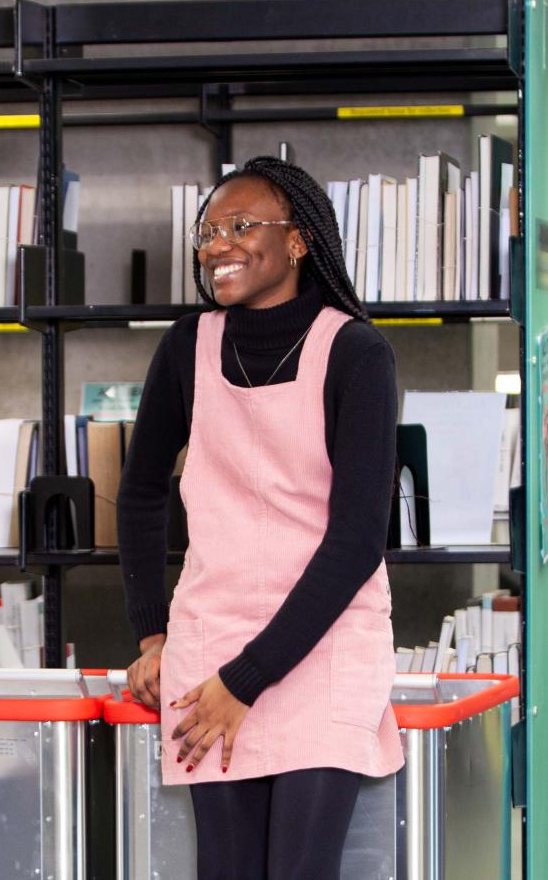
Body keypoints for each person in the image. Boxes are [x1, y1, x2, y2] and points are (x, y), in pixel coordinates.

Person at [119, 155, 403, 878]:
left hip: (323, 649)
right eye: (209, 230)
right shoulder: (188, 346)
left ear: (299, 240)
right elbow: (141, 491)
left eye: (241, 226)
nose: (218, 245)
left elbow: (358, 540)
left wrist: (245, 680)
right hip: (211, 643)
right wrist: (155, 631)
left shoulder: (357, 352)